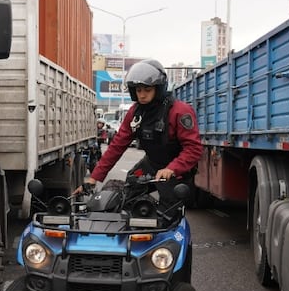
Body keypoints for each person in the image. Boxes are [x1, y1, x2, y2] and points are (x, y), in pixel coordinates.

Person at [78, 59, 202, 202]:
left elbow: (194, 149)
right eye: (138, 90)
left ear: (158, 88)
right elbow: (117, 146)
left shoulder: (180, 111)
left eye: (147, 90)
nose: (142, 95)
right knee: (128, 190)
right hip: (151, 164)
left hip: (176, 170)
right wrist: (94, 178)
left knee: (169, 213)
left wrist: (172, 169)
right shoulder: (134, 113)